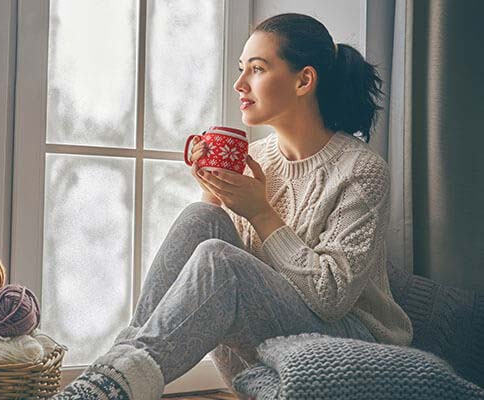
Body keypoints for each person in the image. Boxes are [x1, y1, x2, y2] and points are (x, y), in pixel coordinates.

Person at [51, 13, 413, 400]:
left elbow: (331, 296)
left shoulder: (362, 170)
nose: (240, 84)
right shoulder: (258, 158)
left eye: (257, 69)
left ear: (304, 80)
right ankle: (111, 376)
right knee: (201, 217)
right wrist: (216, 195)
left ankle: (108, 386)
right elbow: (234, 274)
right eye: (242, 69)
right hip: (266, 344)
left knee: (219, 259)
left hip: (352, 346)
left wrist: (260, 213)